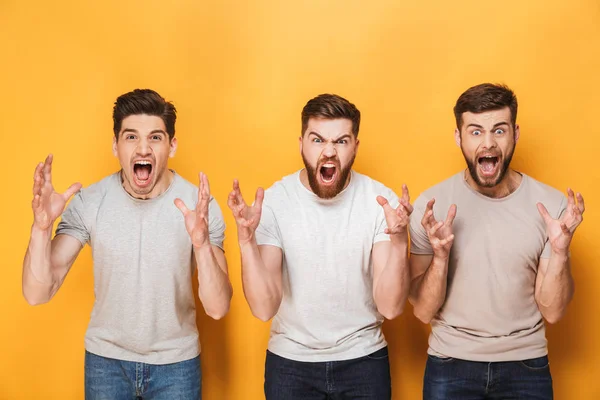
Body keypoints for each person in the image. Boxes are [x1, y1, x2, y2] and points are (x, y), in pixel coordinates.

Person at [22, 89, 232, 399]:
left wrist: (200, 244)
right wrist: (41, 228)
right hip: (105, 364)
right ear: (115, 145)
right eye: (131, 137)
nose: (143, 148)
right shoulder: (91, 202)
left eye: (156, 138)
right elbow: (36, 293)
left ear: (172, 145)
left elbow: (217, 308)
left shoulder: (198, 206)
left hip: (176, 365)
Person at [228, 93, 412, 399]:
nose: (328, 151)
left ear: (355, 146)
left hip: (364, 361)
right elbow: (263, 308)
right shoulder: (275, 202)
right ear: (301, 143)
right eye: (318, 140)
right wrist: (247, 241)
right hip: (290, 364)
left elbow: (390, 307)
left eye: (340, 141)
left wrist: (399, 241)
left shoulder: (381, 202)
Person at [409, 83, 585, 399]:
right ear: (458, 137)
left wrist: (560, 252)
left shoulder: (551, 207)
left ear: (515, 133)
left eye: (499, 131)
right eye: (475, 132)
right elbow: (422, 311)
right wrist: (439, 256)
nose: (488, 143)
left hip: (526, 367)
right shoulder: (430, 206)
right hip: (450, 365)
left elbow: (554, 312)